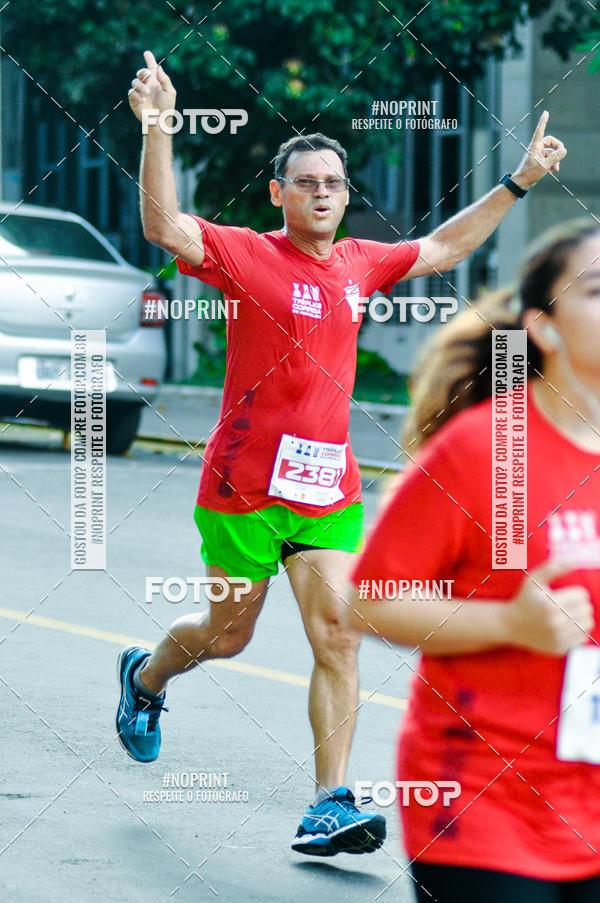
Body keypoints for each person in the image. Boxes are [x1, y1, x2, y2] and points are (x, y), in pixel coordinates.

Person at [116, 48, 566, 857]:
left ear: (346, 195)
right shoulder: (246, 253)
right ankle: (146, 677)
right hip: (242, 489)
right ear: (278, 194)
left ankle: (329, 800)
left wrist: (519, 181)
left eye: (334, 183)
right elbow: (163, 225)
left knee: (339, 631)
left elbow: (440, 248)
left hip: (327, 491)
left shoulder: (363, 261)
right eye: (307, 182)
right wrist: (158, 128)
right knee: (227, 635)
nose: (322, 193)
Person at [348, 218, 600, 899]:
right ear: (544, 329)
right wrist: (509, 624)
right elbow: (371, 597)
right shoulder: (483, 448)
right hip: (484, 799)